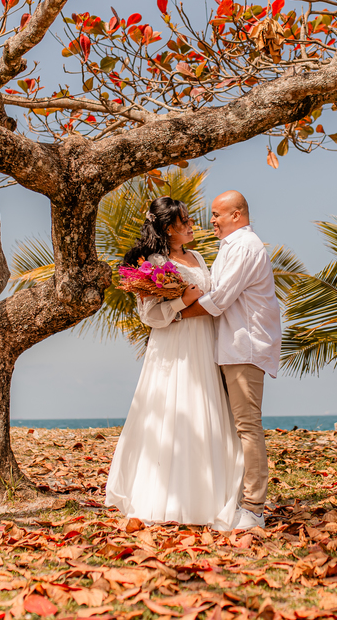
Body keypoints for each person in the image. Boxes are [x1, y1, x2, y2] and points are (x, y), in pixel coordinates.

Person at [104, 197, 244, 530]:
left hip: (204, 341)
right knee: (172, 410)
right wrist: (183, 299)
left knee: (204, 408)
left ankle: (210, 493)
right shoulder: (154, 261)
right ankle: (165, 496)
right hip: (174, 345)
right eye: (185, 221)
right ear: (169, 228)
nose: (193, 224)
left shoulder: (196, 256)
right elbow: (150, 315)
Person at [178, 190, 280, 530]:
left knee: (247, 427)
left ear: (237, 215)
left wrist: (175, 315)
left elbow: (218, 298)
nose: (212, 221)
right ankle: (233, 498)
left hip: (244, 348)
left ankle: (253, 508)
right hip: (230, 347)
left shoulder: (245, 248)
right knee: (234, 427)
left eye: (217, 214)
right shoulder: (231, 248)